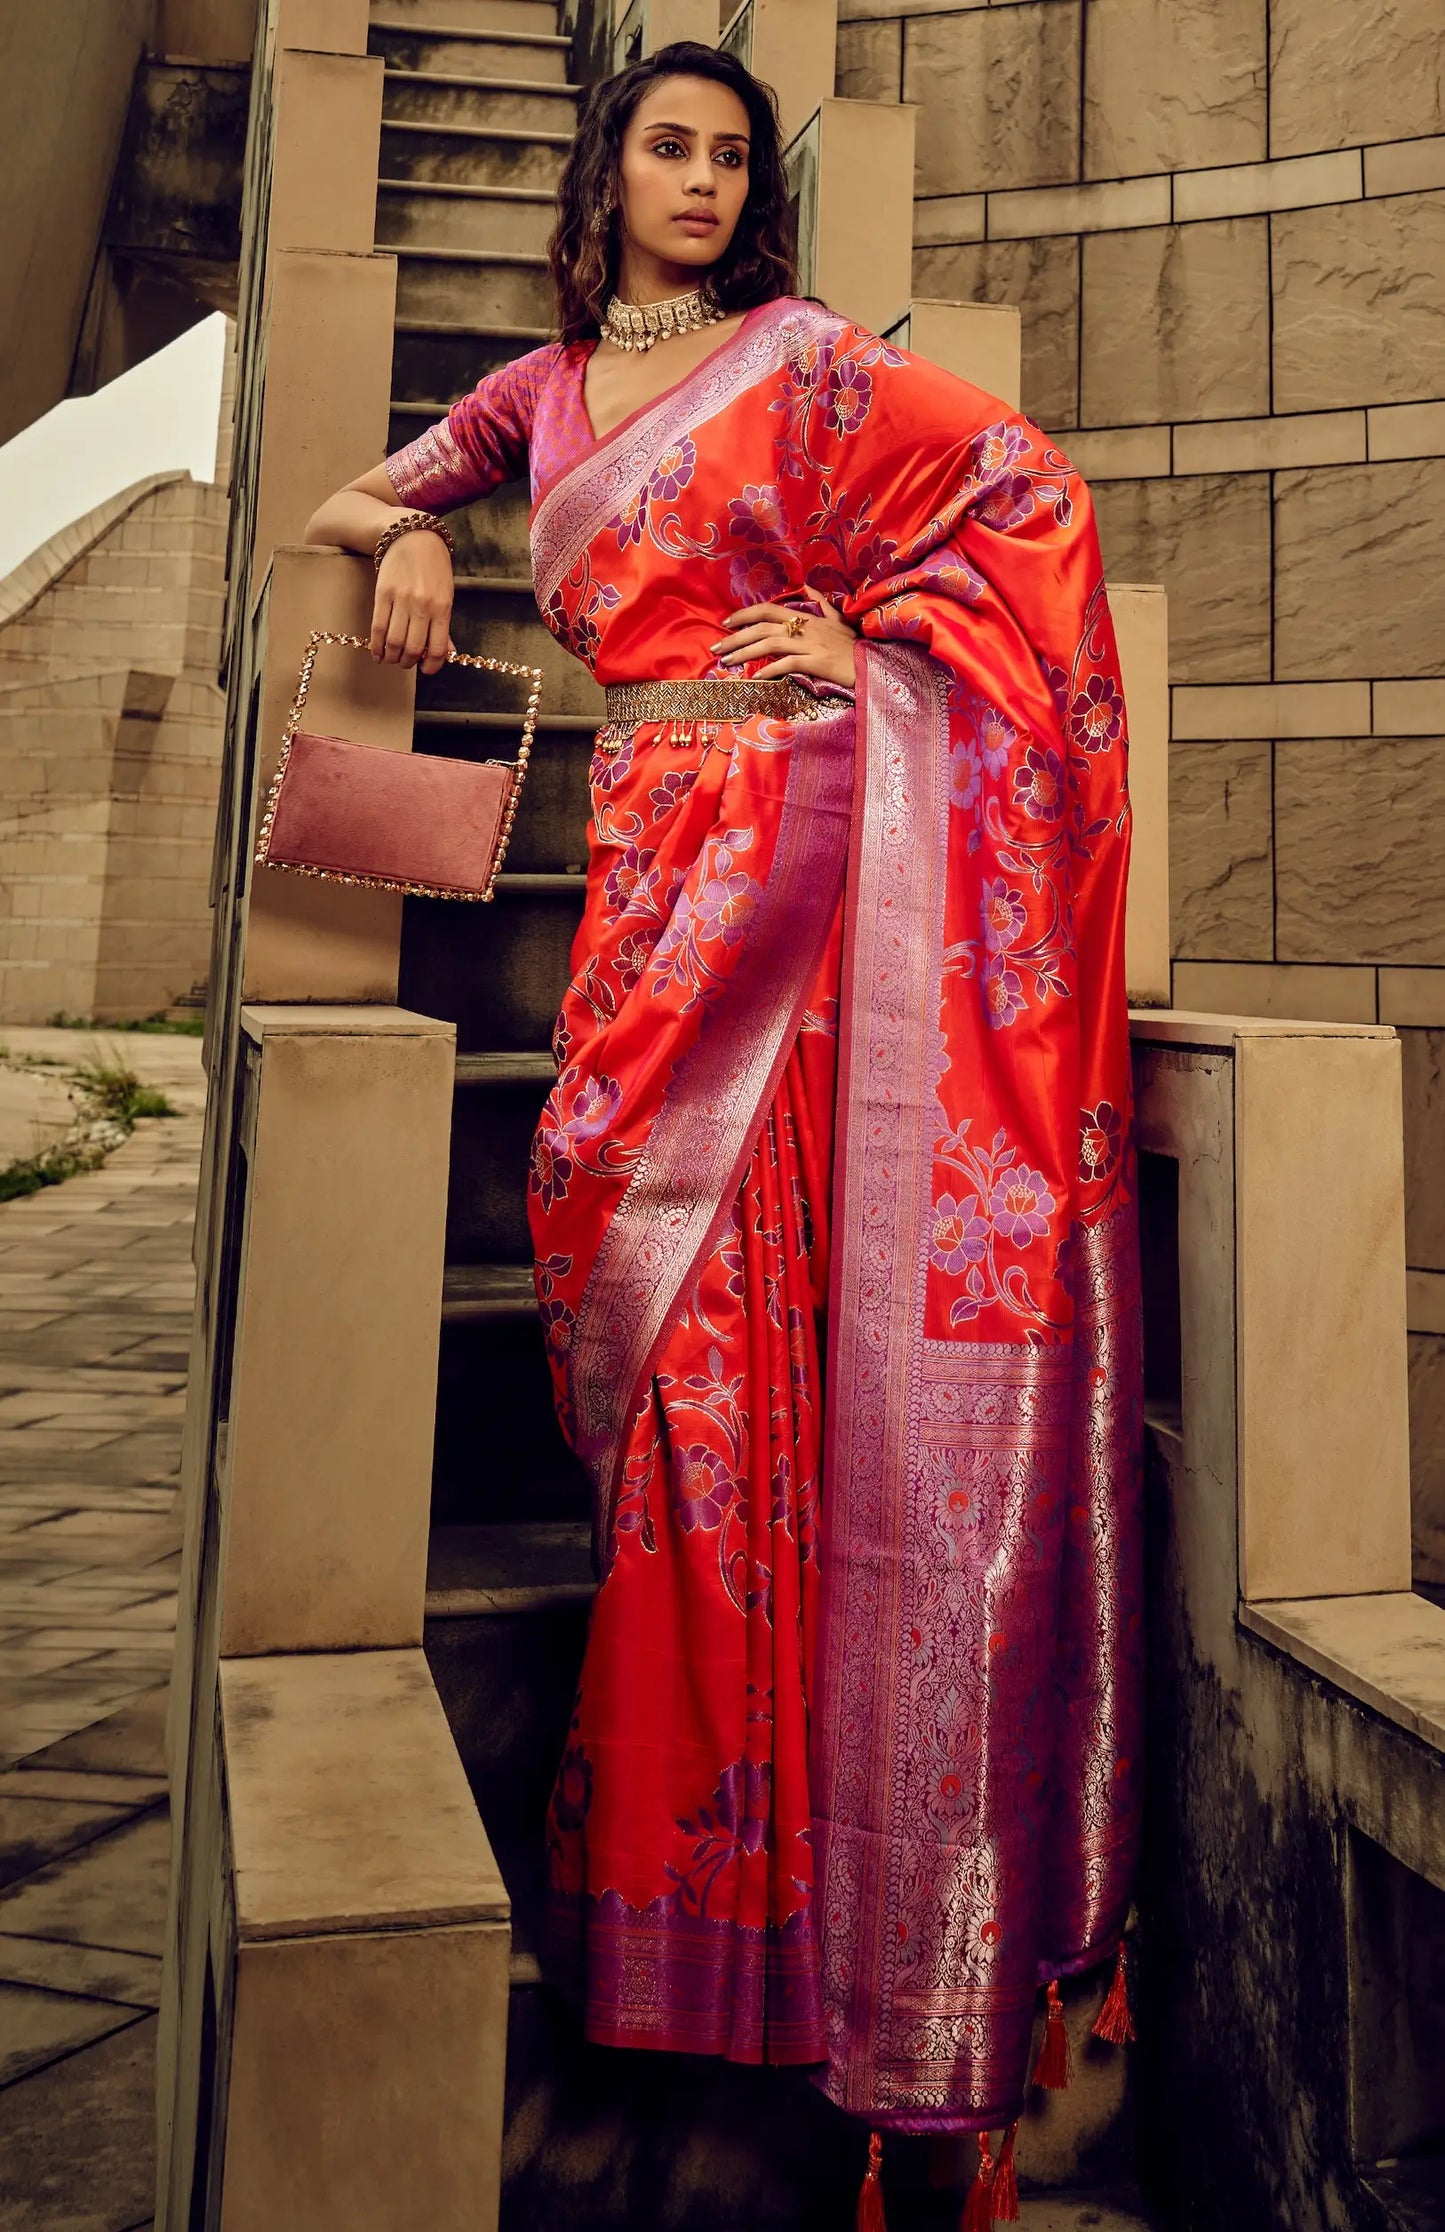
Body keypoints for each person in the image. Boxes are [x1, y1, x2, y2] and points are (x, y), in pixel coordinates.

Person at [304, 37, 1143, 2209]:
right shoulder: (544, 396)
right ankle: (697, 1895)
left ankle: (819, 1939)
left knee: (774, 1386)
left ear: (750, 193)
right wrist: (398, 528)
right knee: (658, 1368)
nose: (692, 177)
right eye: (659, 144)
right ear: (607, 174)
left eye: (722, 154)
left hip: (808, 890)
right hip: (642, 901)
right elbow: (350, 492)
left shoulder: (810, 365)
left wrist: (861, 631)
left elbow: (1028, 498)